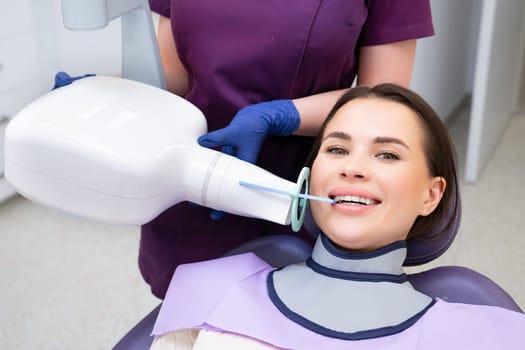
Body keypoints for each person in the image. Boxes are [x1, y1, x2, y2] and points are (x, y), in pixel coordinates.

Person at [148, 84, 525, 349]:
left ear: (431, 195)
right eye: (337, 148)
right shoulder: (211, 288)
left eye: (388, 155)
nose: (353, 168)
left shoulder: (477, 337)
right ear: (311, 175)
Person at [142, 0, 436, 299]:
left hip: (300, 191)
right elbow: (175, 74)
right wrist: (107, 93)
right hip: (198, 178)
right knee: (191, 317)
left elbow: (383, 102)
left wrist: (284, 115)